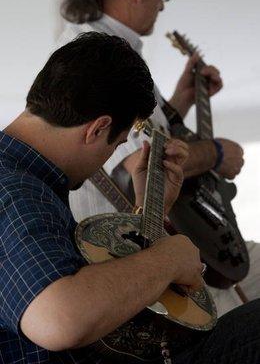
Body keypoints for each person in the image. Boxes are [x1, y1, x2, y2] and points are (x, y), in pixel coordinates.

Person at [1, 32, 260, 364]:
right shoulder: (16, 189)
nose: (109, 155)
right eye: (115, 143)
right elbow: (58, 319)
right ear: (97, 128)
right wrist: (170, 258)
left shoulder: (26, 181)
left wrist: (150, 211)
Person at [58, 0, 260, 317]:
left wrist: (179, 100)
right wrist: (214, 153)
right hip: (133, 253)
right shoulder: (103, 55)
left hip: (146, 245)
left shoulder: (98, 46)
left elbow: (137, 135)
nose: (163, 5)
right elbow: (141, 165)